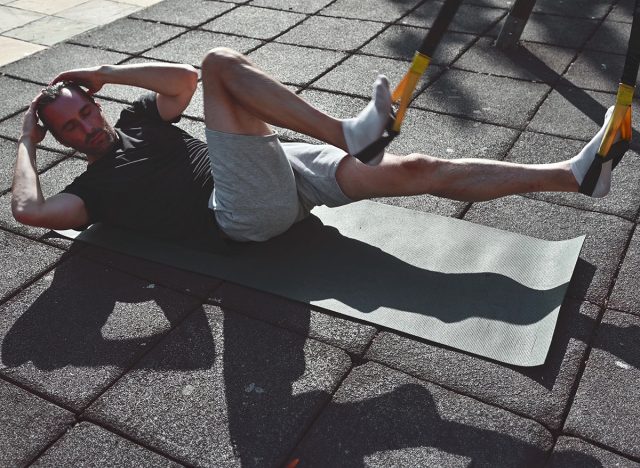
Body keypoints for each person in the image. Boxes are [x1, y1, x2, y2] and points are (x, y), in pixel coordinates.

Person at [11, 47, 619, 243]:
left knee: (420, 168)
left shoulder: (140, 116)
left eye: (86, 111)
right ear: (63, 141)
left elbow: (183, 85)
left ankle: (574, 174)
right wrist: (26, 143)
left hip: (273, 171)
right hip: (239, 212)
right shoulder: (91, 189)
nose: (89, 124)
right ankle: (351, 135)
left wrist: (106, 75)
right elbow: (29, 212)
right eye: (74, 127)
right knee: (221, 61)